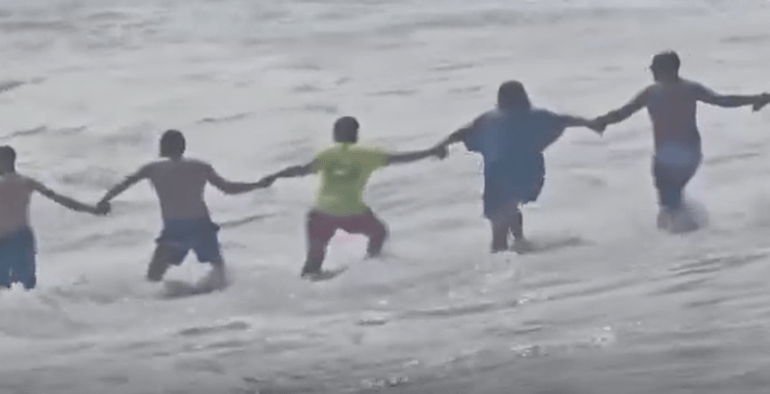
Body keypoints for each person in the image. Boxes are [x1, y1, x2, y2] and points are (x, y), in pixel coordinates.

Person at [593, 51, 770, 230]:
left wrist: (602, 122)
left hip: (675, 154)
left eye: (655, 67)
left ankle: (686, 237)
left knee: (670, 202)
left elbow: (624, 112)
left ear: (667, 68)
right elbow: (723, 100)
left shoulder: (656, 92)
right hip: (683, 154)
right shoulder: (681, 89)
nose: (652, 71)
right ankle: (692, 234)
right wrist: (756, 99)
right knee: (672, 201)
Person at [262, 116, 446, 280]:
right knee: (379, 232)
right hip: (352, 212)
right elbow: (401, 158)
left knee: (313, 264)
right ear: (356, 135)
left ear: (335, 135)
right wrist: (431, 152)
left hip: (321, 214)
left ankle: (304, 293)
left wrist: (274, 176)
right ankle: (370, 265)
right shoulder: (368, 154)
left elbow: (301, 170)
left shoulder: (328, 154)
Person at [434, 81, 604, 253]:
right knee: (511, 204)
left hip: (498, 176)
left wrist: (441, 145)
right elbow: (566, 120)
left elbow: (463, 133)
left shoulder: (489, 120)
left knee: (498, 231)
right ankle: (520, 243)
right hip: (530, 175)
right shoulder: (536, 116)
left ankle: (503, 264)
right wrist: (592, 124)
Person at [95, 130, 273, 291]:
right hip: (201, 225)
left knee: (152, 279)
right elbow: (227, 188)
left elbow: (123, 185)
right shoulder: (200, 166)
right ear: (183, 147)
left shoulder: (152, 169)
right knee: (220, 274)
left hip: (175, 228)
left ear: (162, 147)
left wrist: (104, 200)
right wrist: (257, 185)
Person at [0, 145, 104, 290]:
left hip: (5, 239)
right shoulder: (27, 182)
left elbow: (60, 199)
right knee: (26, 287)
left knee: (5, 287)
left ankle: (17, 312)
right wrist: (92, 210)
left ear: (4, 161)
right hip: (21, 237)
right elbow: (60, 199)